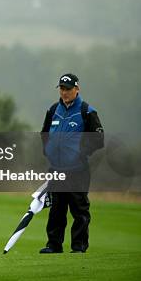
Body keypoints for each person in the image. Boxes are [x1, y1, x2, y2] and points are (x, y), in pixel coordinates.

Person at [40, 73, 104, 254]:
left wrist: (82, 152)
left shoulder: (87, 111)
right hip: (56, 169)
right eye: (61, 88)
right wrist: (48, 151)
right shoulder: (53, 110)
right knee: (56, 210)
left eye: (67, 89)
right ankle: (54, 245)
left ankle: (79, 246)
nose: (64, 92)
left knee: (79, 209)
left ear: (77, 89)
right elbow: (44, 134)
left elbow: (98, 138)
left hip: (78, 170)